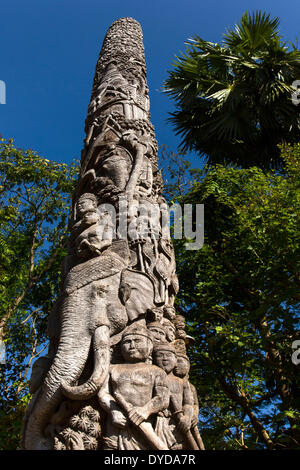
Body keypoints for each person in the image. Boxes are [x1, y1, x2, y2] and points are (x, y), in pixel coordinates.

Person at [97, 324, 170, 450]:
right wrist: (114, 411)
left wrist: (146, 410)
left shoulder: (157, 371)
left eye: (137, 341)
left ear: (149, 345)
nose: (132, 346)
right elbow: (103, 393)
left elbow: (163, 398)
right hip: (118, 425)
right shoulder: (112, 369)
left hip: (146, 425)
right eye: (127, 342)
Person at [152, 343, 194, 450]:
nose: (165, 359)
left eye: (168, 355)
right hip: (157, 421)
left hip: (177, 424)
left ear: (175, 360)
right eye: (160, 355)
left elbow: (188, 403)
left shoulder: (182, 382)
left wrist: (187, 417)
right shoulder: (151, 378)